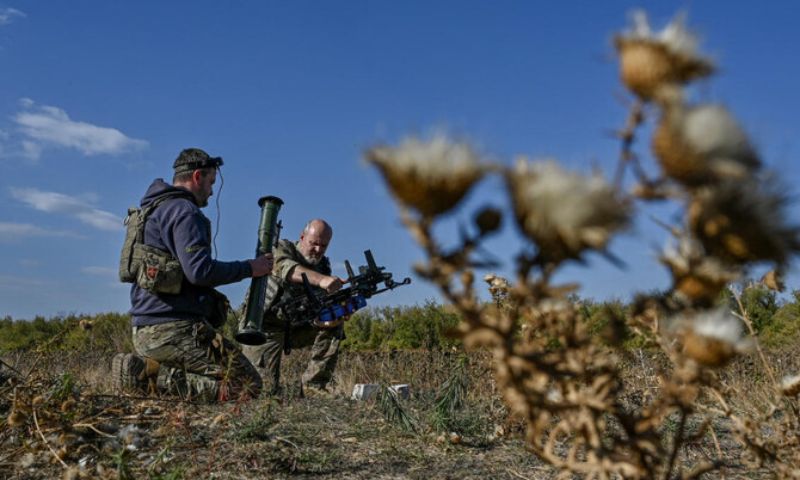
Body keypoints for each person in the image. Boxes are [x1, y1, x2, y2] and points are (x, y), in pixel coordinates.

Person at [112, 148, 274, 402]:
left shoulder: (155, 209)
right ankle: (146, 376)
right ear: (197, 177)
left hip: (145, 328)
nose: (211, 191)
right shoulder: (184, 212)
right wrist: (250, 267)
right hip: (172, 328)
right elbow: (200, 271)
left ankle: (156, 370)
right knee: (248, 386)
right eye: (211, 182)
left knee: (228, 379)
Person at [242, 219, 346, 397]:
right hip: (266, 328)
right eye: (314, 243)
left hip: (297, 326)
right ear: (302, 237)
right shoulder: (282, 248)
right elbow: (287, 269)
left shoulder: (322, 265)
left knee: (334, 319)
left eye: (324, 245)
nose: (318, 250)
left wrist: (340, 310)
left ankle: (314, 386)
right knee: (261, 391)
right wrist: (322, 280)